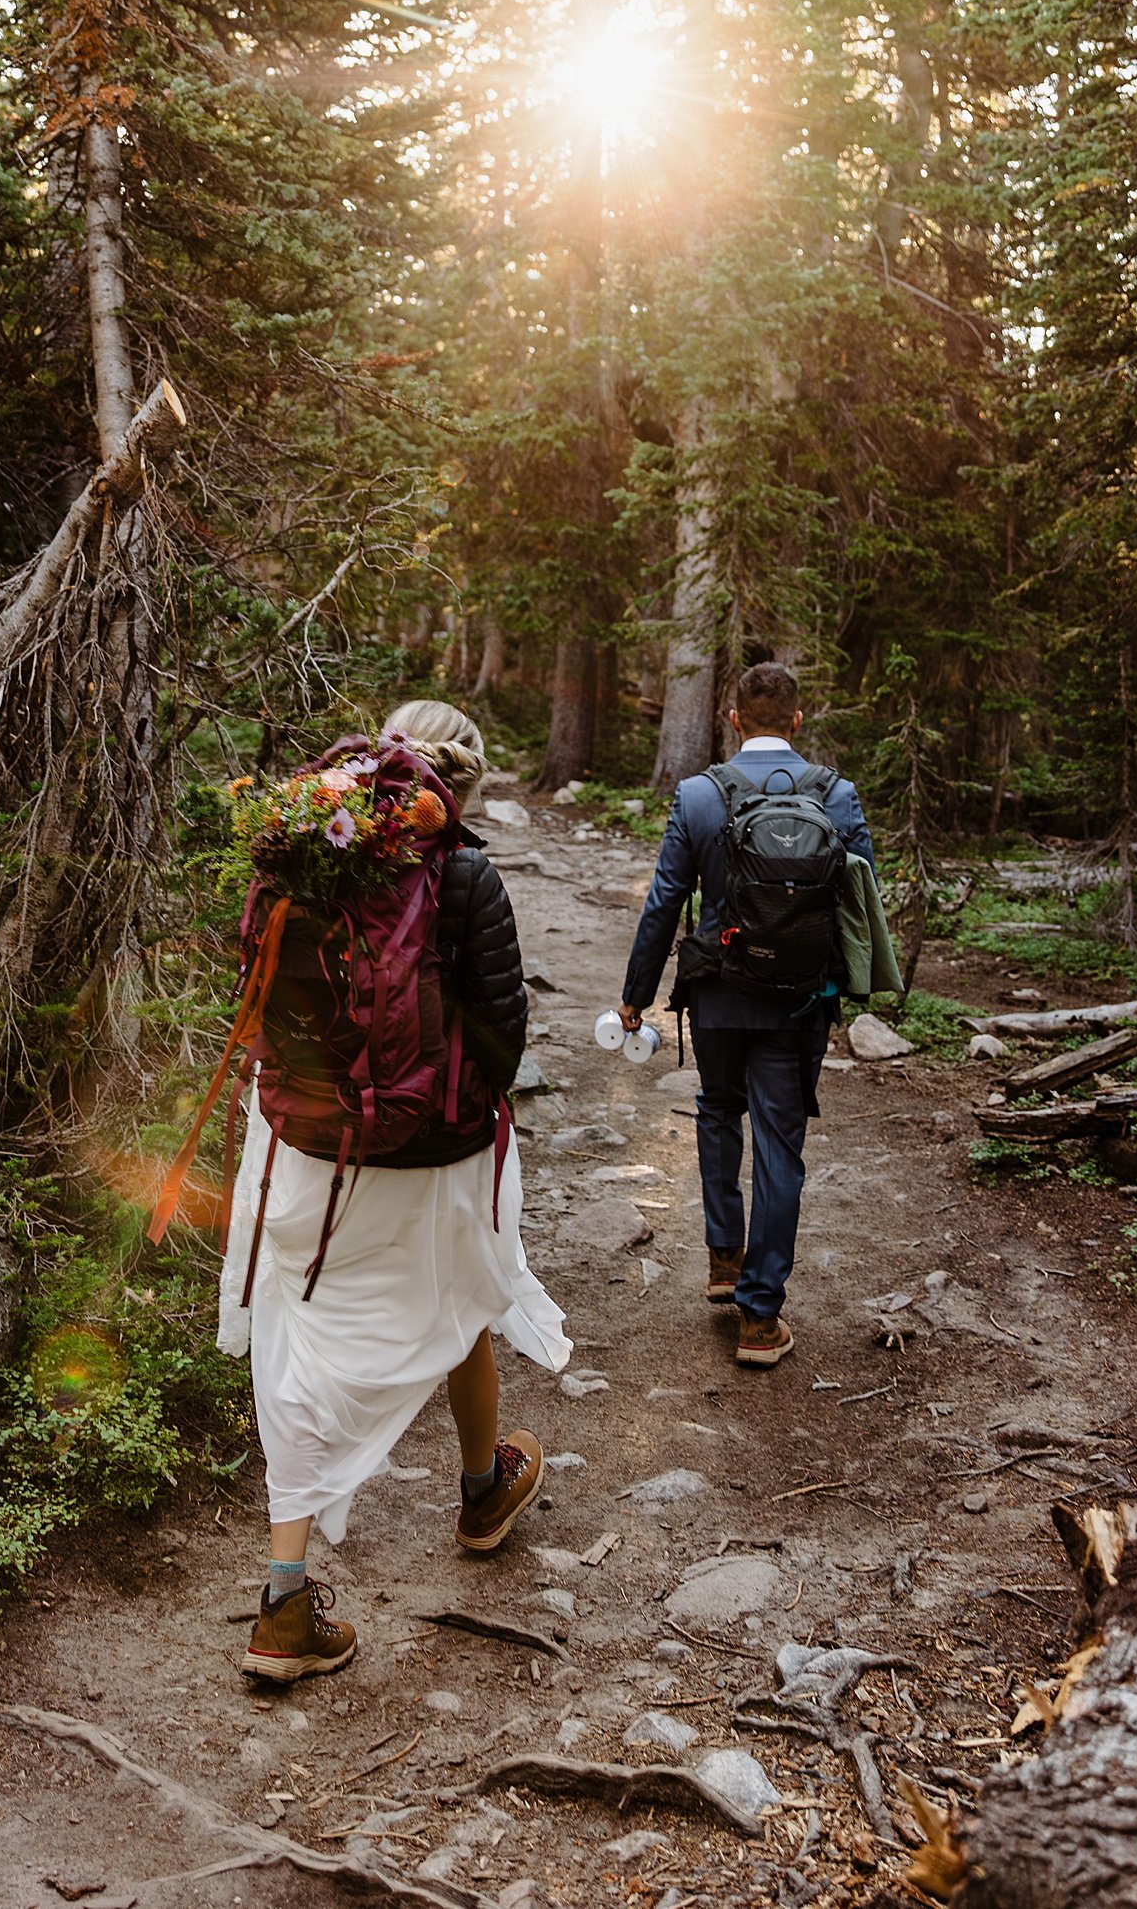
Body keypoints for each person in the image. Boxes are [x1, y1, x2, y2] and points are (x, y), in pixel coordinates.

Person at [220, 698, 571, 1684]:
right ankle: (479, 1489)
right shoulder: (464, 871)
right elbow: (502, 1038)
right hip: (438, 1150)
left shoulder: (306, 856)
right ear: (463, 785)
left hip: (306, 1144)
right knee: (463, 1301)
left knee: (298, 1341)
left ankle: (284, 1604)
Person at [618, 662, 875, 1370]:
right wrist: (852, 992)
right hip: (799, 1002)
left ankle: (723, 1258)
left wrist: (637, 992)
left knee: (717, 1106)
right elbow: (861, 903)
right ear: (797, 719)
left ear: (733, 719)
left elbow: (666, 897)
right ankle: (760, 1320)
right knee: (780, 1144)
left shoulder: (701, 794)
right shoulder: (837, 793)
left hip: (720, 994)